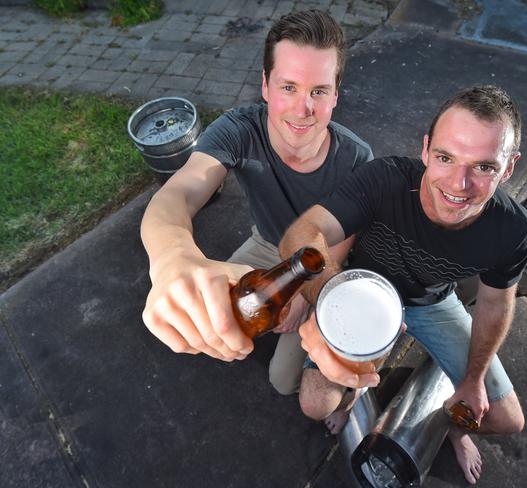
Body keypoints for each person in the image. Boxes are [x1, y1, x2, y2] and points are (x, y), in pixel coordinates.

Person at [279, 85, 527, 485]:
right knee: (315, 404)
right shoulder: (385, 178)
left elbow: (495, 305)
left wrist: (472, 379)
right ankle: (364, 388)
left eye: (484, 167)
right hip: (361, 294)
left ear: (509, 168)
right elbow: (301, 236)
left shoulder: (515, 230)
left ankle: (449, 423)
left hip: (432, 305)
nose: (458, 184)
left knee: (505, 419)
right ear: (426, 149)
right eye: (445, 157)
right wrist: (333, 306)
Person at [140, 10, 373, 396]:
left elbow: (337, 247)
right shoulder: (238, 130)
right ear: (265, 86)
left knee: (282, 382)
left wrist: (300, 297)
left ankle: (348, 389)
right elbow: (178, 194)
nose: (303, 109)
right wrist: (172, 259)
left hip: (322, 259)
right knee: (214, 312)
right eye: (288, 88)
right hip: (265, 242)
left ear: (335, 93)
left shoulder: (358, 159)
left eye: (318, 91)